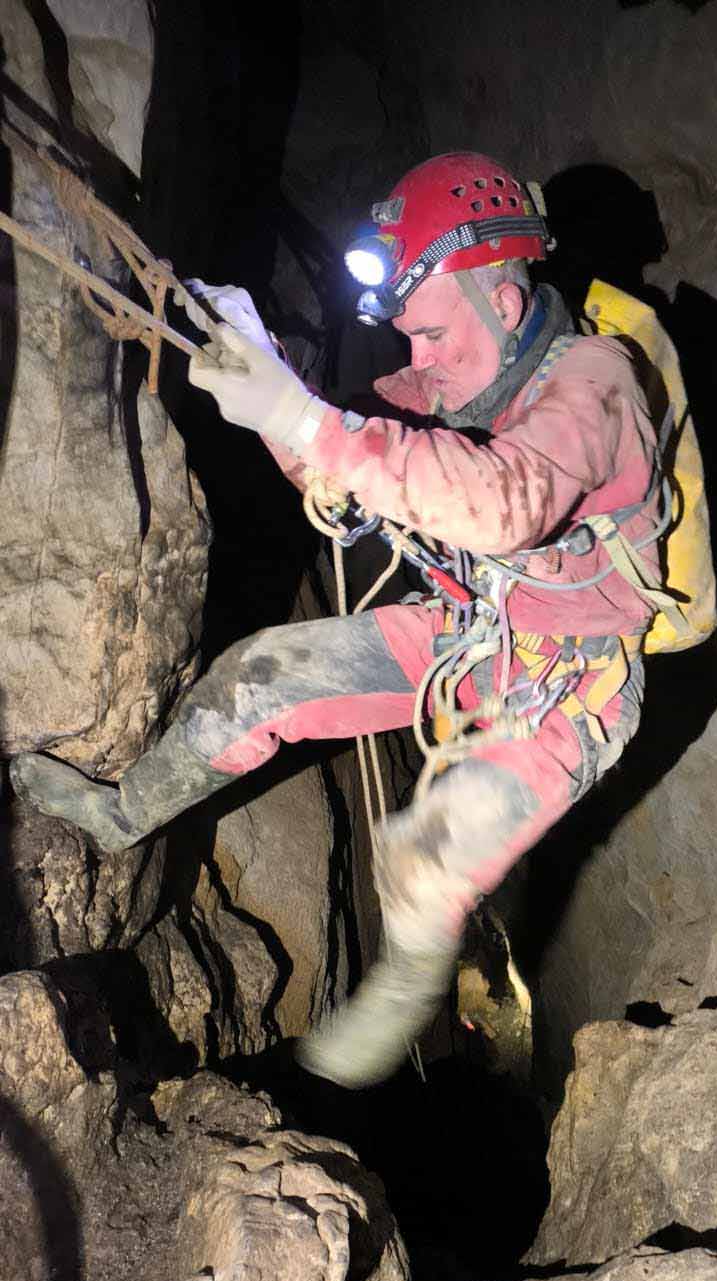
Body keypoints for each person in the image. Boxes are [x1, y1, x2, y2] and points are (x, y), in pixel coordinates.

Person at [11, 151, 665, 1087]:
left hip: (574, 688)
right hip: (471, 635)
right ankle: (122, 814)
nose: (418, 358)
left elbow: (506, 502)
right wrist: (267, 378)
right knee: (255, 682)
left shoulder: (597, 385)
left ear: (503, 304)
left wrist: (308, 424)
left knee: (427, 856)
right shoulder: (443, 388)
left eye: (431, 334)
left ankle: (413, 980)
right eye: (407, 337)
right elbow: (344, 451)